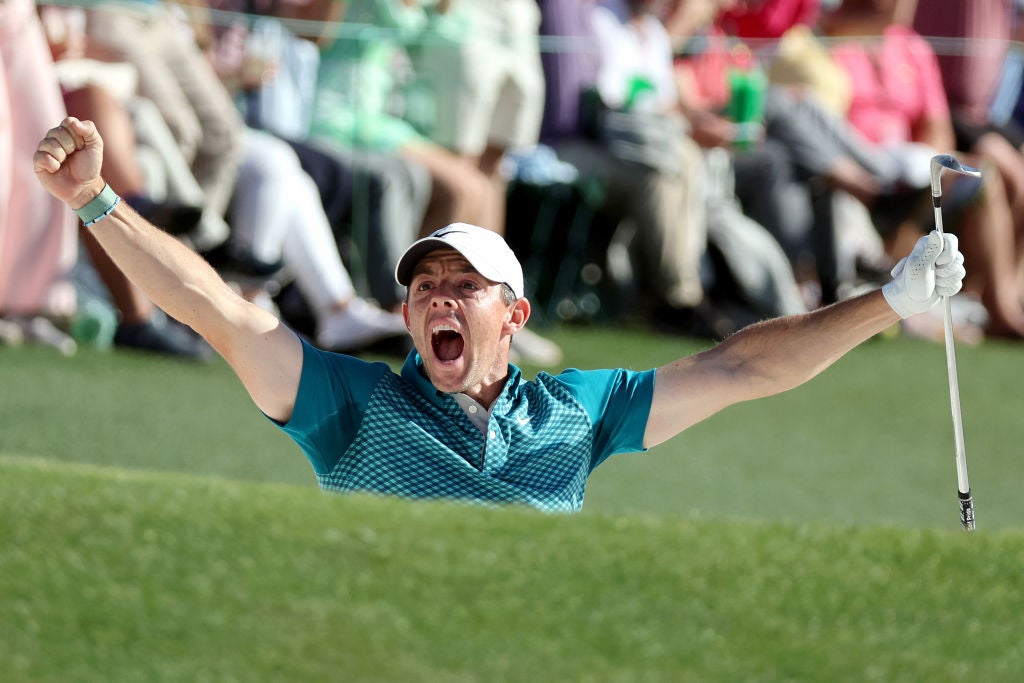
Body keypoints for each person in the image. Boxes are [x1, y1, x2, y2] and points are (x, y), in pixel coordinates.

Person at [34, 116, 966, 511]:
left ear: (514, 312)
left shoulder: (576, 413)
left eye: (463, 282)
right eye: (423, 283)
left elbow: (738, 367)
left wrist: (887, 301)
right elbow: (219, 312)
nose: (438, 294)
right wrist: (95, 202)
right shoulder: (349, 405)